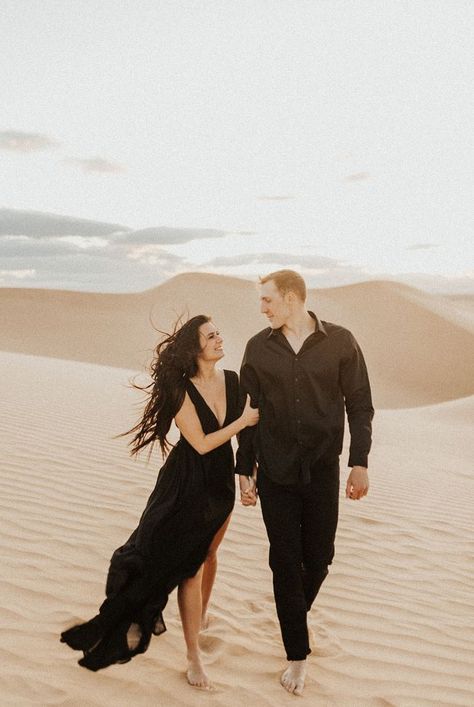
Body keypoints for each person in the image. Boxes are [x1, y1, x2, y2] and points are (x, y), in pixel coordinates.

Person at [60, 315, 259, 688]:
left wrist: (249, 476)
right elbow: (200, 443)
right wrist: (243, 422)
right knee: (190, 566)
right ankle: (193, 655)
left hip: (221, 483)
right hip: (185, 484)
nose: (219, 338)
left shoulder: (233, 381)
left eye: (218, 333)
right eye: (210, 335)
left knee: (210, 553)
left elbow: (248, 441)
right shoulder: (180, 389)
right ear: (195, 347)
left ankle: (199, 618)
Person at [236, 270, 374, 696]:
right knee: (283, 560)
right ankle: (297, 654)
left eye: (267, 300)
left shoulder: (340, 342)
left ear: (292, 298)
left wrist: (360, 462)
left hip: (322, 469)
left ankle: (291, 611)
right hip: (275, 470)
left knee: (319, 557)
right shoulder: (258, 348)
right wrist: (246, 469)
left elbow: (360, 405)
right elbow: (250, 411)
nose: (262, 309)